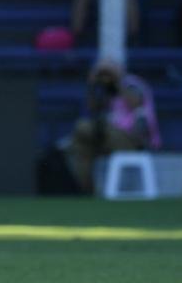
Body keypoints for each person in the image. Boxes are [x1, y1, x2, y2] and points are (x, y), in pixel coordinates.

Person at [64, 60, 161, 193]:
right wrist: (92, 84)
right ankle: (86, 191)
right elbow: (92, 108)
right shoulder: (107, 89)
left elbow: (136, 103)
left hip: (133, 138)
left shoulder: (133, 83)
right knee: (81, 145)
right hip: (109, 137)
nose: (106, 75)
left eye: (108, 71)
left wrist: (118, 81)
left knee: (82, 126)